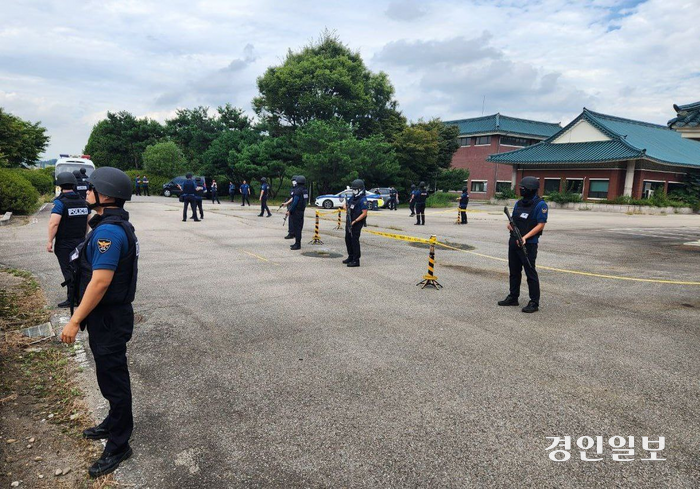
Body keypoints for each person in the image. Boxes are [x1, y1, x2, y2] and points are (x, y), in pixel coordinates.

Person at [59, 166, 139, 478]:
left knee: (115, 381)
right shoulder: (111, 224)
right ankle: (112, 423)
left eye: (90, 188)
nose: (85, 192)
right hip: (107, 317)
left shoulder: (108, 232)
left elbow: (100, 282)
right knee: (109, 377)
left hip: (108, 318)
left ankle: (119, 444)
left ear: (104, 195)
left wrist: (75, 319)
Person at [498, 176, 548, 313]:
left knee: (530, 272)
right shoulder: (518, 204)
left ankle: (534, 302)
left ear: (531, 189)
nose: (521, 190)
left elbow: (541, 225)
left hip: (528, 244)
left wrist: (525, 237)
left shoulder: (540, 205)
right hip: (514, 241)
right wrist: (510, 226)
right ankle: (513, 297)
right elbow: (512, 220)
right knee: (514, 271)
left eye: (523, 188)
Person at [47, 172, 89, 307]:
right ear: (74, 185)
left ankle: (73, 299)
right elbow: (88, 221)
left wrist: (49, 241)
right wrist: (84, 236)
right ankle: (81, 296)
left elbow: (54, 223)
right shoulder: (83, 202)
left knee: (68, 270)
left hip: (64, 243)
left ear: (60, 186)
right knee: (80, 269)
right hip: (81, 241)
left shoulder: (60, 203)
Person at [342, 179, 369, 267]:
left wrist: (355, 221)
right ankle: (350, 256)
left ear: (360, 189)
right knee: (348, 239)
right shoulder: (353, 197)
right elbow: (347, 206)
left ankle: (356, 260)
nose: (354, 191)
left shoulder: (363, 199)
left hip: (357, 223)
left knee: (354, 240)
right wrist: (345, 205)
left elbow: (364, 213)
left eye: (355, 189)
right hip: (349, 221)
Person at [287, 175, 307, 250]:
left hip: (296, 211)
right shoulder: (305, 190)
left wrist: (290, 210)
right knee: (299, 227)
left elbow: (295, 201)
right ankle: (297, 243)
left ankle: (297, 244)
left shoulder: (297, 190)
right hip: (301, 211)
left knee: (297, 228)